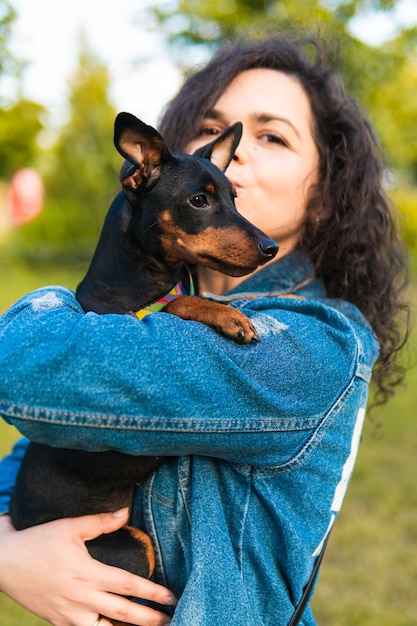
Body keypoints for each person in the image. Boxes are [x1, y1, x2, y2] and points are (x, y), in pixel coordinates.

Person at [0, 31, 409, 626]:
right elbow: (30, 457)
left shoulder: (316, 346)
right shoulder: (154, 309)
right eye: (213, 127)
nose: (234, 151)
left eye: (272, 136)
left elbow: (22, 367)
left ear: (325, 194)